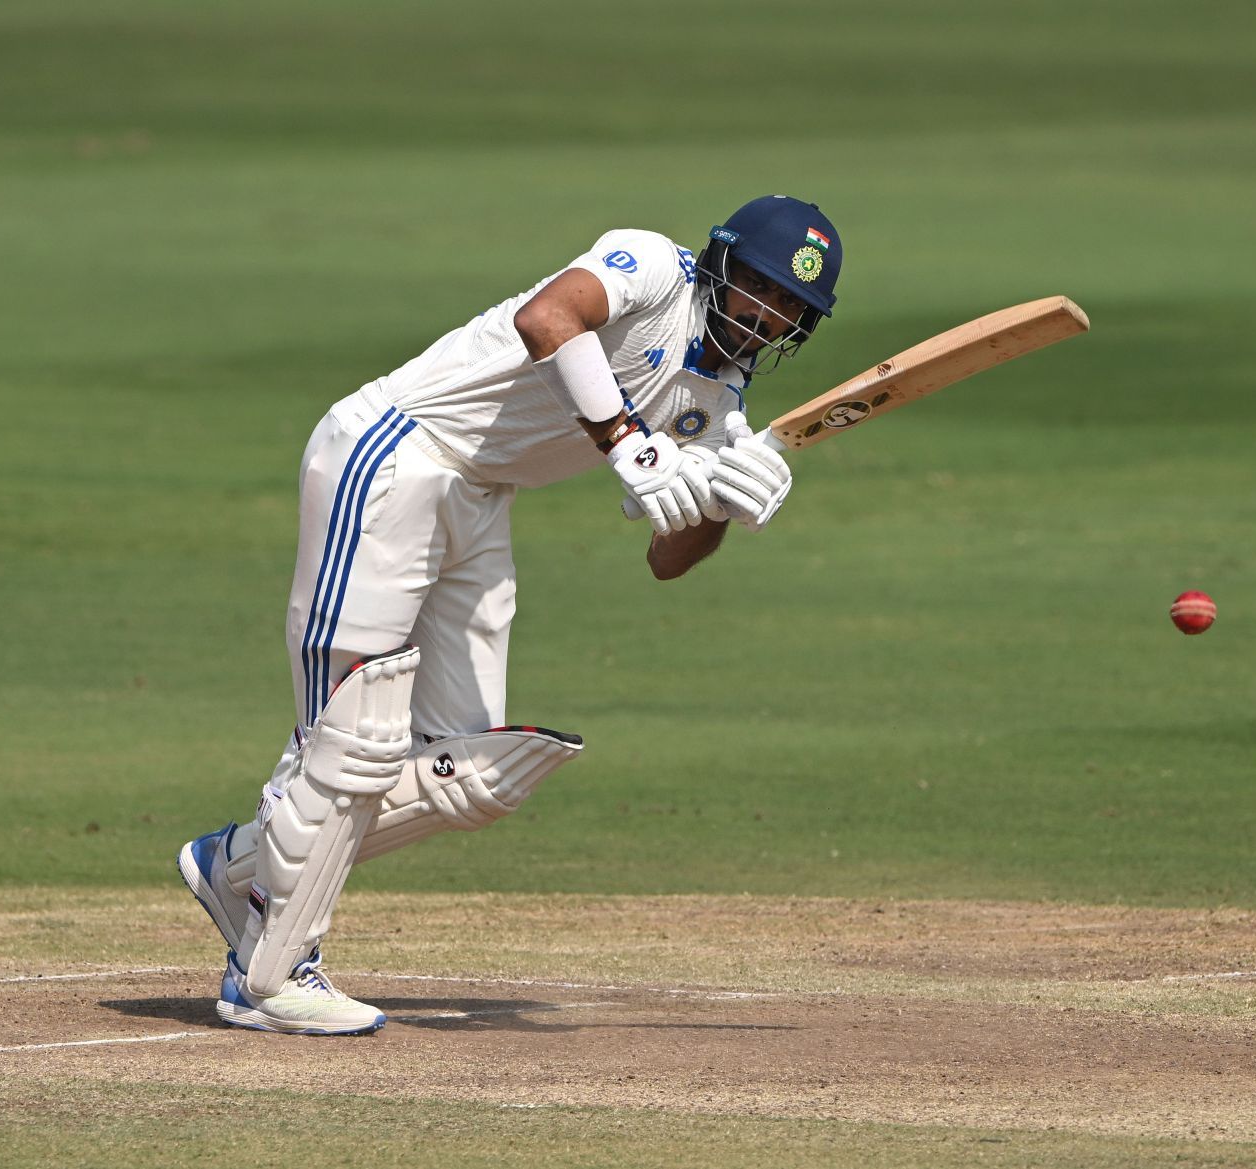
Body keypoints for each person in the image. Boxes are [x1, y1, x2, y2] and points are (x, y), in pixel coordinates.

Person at [176, 195, 842, 1034]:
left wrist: (722, 500)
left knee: (476, 773)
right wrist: (632, 447)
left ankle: (236, 867)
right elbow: (548, 317)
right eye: (760, 285)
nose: (767, 313)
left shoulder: (720, 404)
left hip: (482, 499)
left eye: (791, 308)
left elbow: (667, 560)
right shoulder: (649, 268)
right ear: (722, 262)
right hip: (395, 453)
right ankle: (270, 974)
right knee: (355, 736)